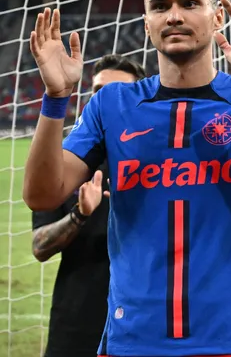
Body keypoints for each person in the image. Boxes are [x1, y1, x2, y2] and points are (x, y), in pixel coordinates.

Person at [22, 0, 231, 357]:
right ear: (146, 23)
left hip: (227, 338)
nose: (174, 16)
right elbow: (42, 195)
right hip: (132, 339)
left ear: (217, 17)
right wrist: (55, 99)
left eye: (190, 2)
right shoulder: (111, 105)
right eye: (160, 6)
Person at [31, 55, 146, 357]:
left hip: (144, 322)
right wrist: (79, 215)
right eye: (98, 91)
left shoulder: (163, 162)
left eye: (118, 92)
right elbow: (40, 246)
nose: (105, 99)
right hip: (77, 322)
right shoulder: (66, 163)